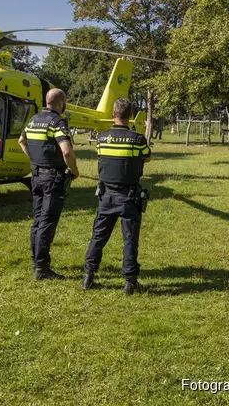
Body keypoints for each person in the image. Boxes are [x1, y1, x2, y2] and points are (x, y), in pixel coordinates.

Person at [82, 98, 152, 295]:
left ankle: (88, 276)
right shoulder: (138, 139)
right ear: (130, 116)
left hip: (106, 195)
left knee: (98, 236)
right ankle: (130, 282)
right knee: (130, 239)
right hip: (129, 197)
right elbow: (147, 156)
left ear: (113, 115)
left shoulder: (101, 138)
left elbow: (101, 156)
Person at [18, 88, 79, 280]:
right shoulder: (57, 122)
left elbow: (21, 141)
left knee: (37, 220)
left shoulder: (34, 119)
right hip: (52, 178)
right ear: (60, 103)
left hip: (36, 176)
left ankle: (36, 260)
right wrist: (74, 171)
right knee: (47, 222)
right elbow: (67, 152)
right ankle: (42, 268)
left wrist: (34, 160)